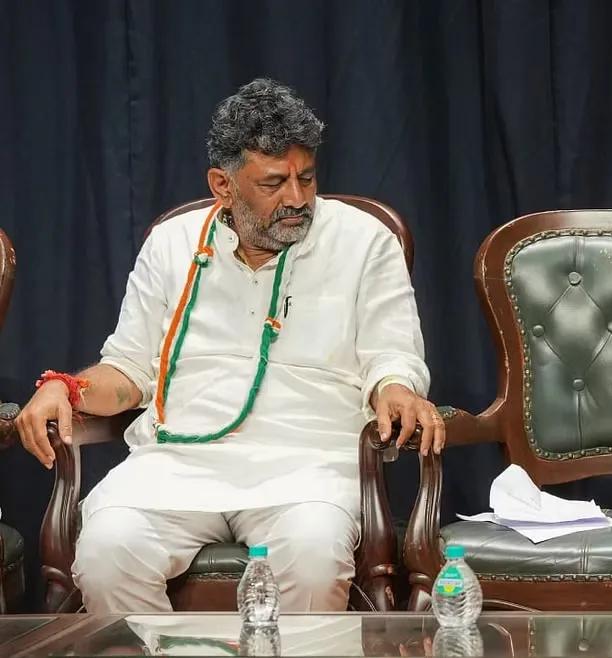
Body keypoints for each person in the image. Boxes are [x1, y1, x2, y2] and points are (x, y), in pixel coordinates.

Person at [14, 78, 444, 613]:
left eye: (307, 177)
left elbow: (392, 356)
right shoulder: (172, 243)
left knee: (312, 556)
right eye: (273, 183)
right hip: (177, 464)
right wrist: (65, 388)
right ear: (223, 184)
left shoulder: (364, 239)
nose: (297, 199)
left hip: (309, 467)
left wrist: (396, 389)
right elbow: (127, 369)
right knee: (106, 552)